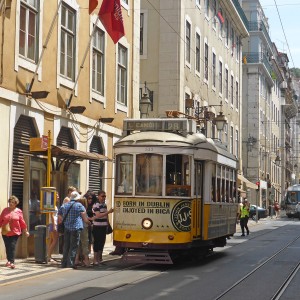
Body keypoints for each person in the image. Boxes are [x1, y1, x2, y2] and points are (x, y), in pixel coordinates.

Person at [58, 191, 90, 269]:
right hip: (76, 228)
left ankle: (64, 263)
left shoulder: (64, 206)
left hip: (67, 228)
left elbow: (59, 216)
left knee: (66, 246)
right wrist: (89, 223)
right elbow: (85, 219)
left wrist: (64, 221)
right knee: (73, 246)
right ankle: (70, 263)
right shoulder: (79, 206)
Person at [0, 196, 29, 269]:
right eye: (10, 202)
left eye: (13, 202)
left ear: (16, 203)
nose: (11, 203)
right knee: (7, 246)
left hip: (15, 232)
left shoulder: (18, 211)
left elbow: (22, 222)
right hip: (5, 232)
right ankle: (9, 260)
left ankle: (12, 262)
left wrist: (25, 231)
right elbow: (0, 220)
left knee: (12, 246)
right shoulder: (5, 210)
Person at [90, 190, 113, 266]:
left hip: (103, 226)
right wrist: (108, 212)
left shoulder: (104, 205)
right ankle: (95, 260)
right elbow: (98, 215)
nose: (104, 198)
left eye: (105, 196)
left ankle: (100, 259)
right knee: (96, 243)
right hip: (97, 226)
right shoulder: (96, 205)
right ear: (98, 196)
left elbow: (106, 216)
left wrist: (107, 224)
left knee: (102, 243)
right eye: (102, 196)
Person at [75, 196, 91, 267]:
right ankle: (86, 260)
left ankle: (76, 260)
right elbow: (85, 220)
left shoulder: (75, 209)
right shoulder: (83, 209)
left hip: (77, 228)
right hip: (83, 228)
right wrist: (89, 223)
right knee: (85, 244)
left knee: (77, 244)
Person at [47, 192, 59, 263]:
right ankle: (48, 256)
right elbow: (51, 215)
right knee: (54, 241)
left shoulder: (54, 205)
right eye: (56, 196)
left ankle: (49, 256)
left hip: (53, 223)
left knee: (51, 241)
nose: (58, 197)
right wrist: (54, 225)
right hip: (53, 223)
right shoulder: (52, 205)